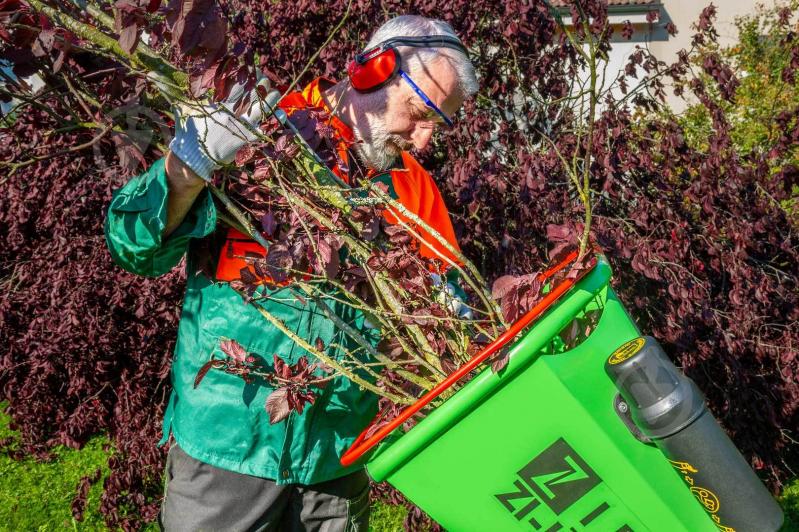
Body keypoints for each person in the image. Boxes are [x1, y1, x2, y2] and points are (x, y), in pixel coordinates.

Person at [104, 14, 478, 532]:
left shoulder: (411, 189)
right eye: (419, 113)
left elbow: (448, 311)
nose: (422, 142)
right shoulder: (260, 134)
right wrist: (187, 168)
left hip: (334, 456)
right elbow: (134, 246)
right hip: (228, 441)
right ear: (373, 71)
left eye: (440, 123)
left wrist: (445, 314)